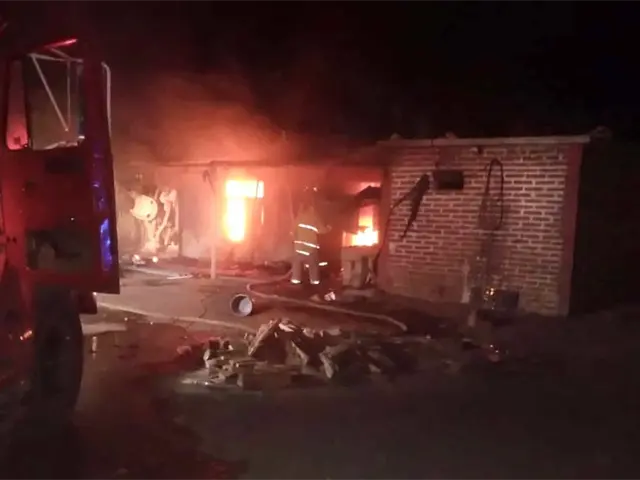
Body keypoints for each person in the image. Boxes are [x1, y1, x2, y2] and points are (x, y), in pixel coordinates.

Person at [291, 190, 330, 285]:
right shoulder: (314, 216)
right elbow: (321, 230)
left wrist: (295, 241)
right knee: (313, 265)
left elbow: (293, 230)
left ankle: (295, 281)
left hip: (299, 249)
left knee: (297, 265)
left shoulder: (299, 216)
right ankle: (314, 282)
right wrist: (329, 228)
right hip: (310, 249)